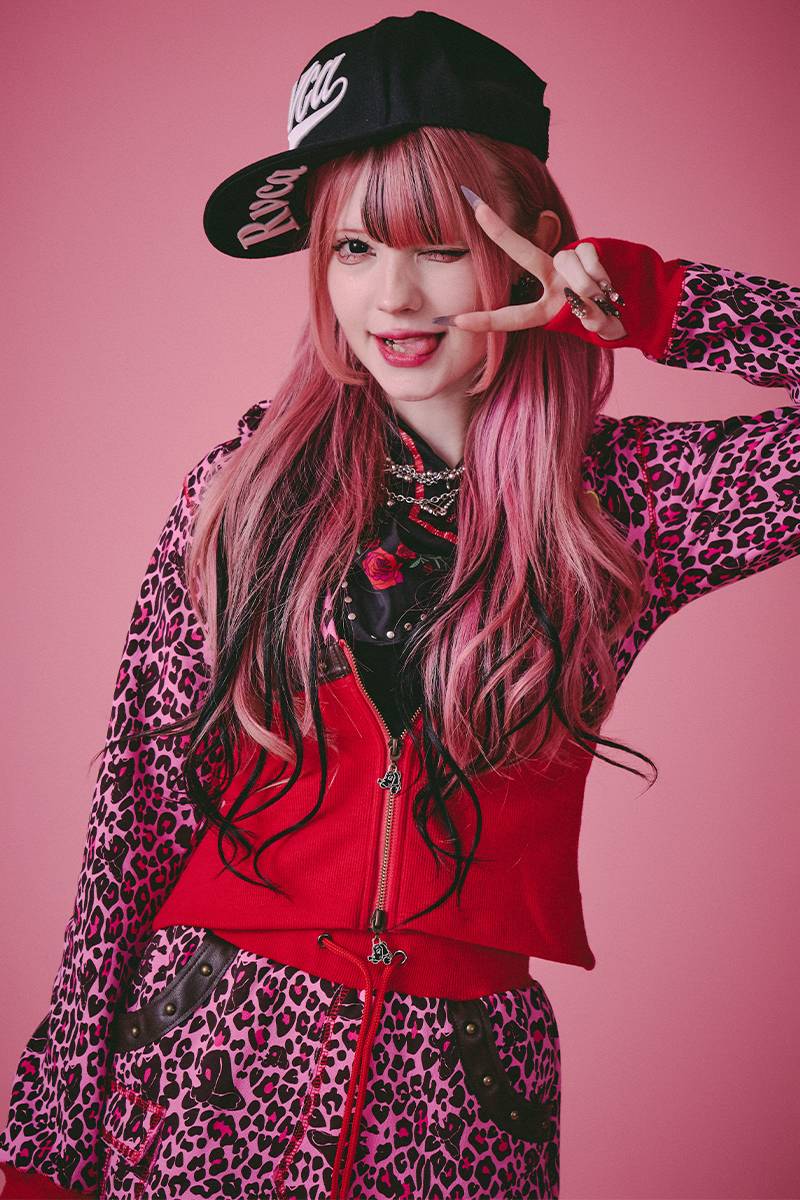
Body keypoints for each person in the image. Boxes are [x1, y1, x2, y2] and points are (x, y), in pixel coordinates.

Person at [1, 10, 797, 1200]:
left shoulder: (620, 506)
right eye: (353, 246)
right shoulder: (241, 496)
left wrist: (653, 301)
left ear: (529, 250)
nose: (394, 295)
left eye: (438, 244)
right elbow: (135, 817)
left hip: (461, 1103)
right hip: (205, 1071)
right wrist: (42, 1152)